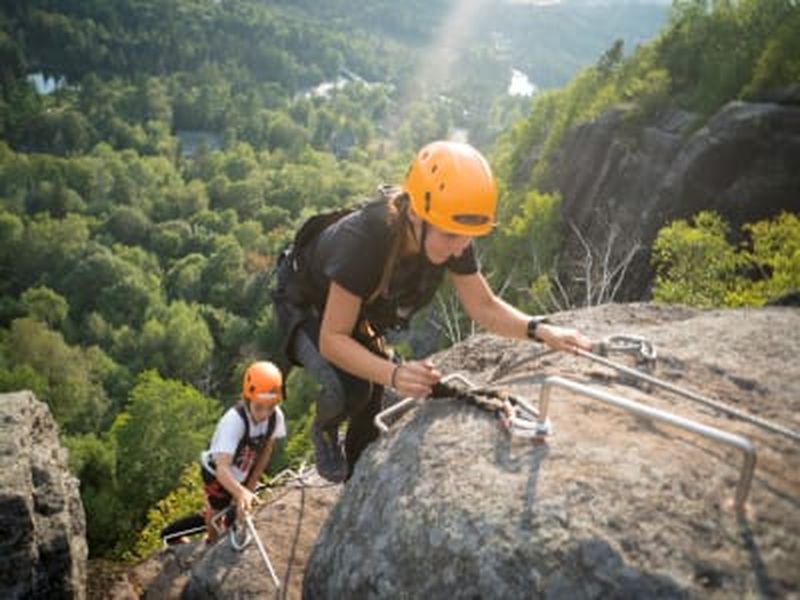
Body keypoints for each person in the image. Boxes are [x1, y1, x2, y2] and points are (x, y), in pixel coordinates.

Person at [272, 140, 592, 483]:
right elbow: (333, 339)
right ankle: (325, 428)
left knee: (374, 398)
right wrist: (394, 373)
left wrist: (541, 330)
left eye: (468, 237)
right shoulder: (365, 240)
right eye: (451, 236)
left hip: (356, 308)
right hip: (307, 307)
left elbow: (483, 306)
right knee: (352, 389)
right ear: (414, 213)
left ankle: (357, 476)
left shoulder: (448, 229)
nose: (460, 247)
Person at [199, 360, 287, 542]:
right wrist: (240, 493)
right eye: (259, 407)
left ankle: (231, 531)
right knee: (216, 510)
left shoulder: (275, 417)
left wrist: (250, 487)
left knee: (239, 507)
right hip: (216, 472)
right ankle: (211, 542)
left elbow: (265, 451)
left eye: (270, 407)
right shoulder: (234, 421)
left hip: (242, 467)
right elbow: (222, 469)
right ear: (248, 399)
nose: (264, 414)